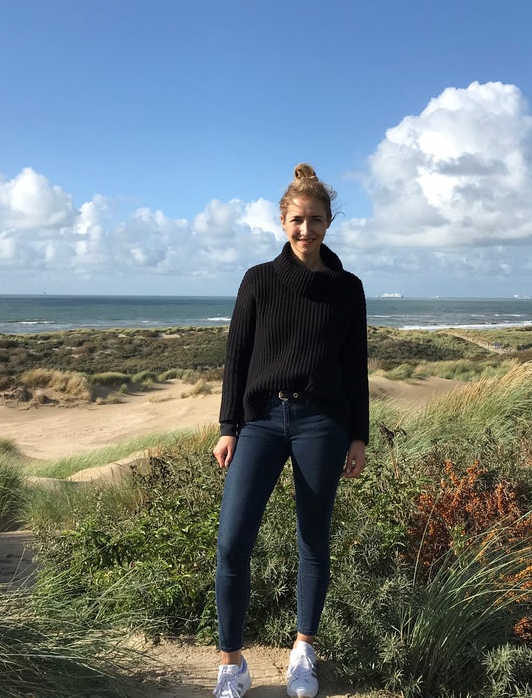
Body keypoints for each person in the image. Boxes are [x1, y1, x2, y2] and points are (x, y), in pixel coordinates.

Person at [212, 163, 369, 698]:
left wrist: (359, 435)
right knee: (232, 542)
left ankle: (303, 652)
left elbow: (355, 366)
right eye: (298, 221)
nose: (307, 231)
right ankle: (232, 663)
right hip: (259, 421)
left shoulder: (347, 289)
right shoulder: (258, 279)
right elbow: (236, 358)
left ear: (330, 223)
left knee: (312, 539)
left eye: (317, 222)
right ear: (283, 220)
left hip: (322, 422)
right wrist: (228, 425)